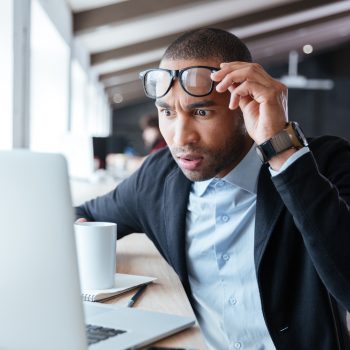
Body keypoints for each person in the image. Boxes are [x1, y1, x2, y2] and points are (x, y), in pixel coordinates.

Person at [76, 28, 350, 349]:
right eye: (167, 112)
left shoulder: (322, 164)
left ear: (245, 105)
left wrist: (283, 148)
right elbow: (86, 215)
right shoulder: (158, 177)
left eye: (201, 112)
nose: (180, 138)